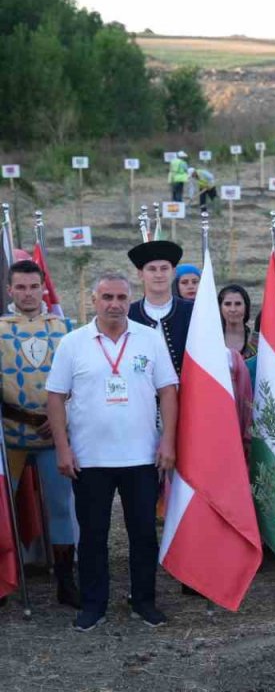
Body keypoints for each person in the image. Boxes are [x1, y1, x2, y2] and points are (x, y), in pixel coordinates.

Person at [46, 272, 178, 631]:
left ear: (130, 300)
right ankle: (93, 605)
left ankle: (144, 601)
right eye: (107, 297)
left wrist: (167, 441)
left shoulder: (149, 340)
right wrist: (63, 448)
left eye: (121, 297)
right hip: (89, 459)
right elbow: (55, 397)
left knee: (143, 534)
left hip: (141, 457)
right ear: (94, 300)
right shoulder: (73, 343)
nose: (115, 304)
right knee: (92, 536)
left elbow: (167, 391)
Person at [1, 260, 77, 608]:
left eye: (34, 287)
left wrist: (61, 412)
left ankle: (66, 581)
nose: (28, 294)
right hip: (9, 437)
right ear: (9, 290)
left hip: (53, 436)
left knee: (62, 507)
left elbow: (83, 380)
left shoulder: (66, 329)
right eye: (21, 288)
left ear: (43, 287)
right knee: (2, 509)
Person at [127, 240, 193, 376]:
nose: (158, 275)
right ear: (140, 274)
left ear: (173, 272)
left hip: (187, 392)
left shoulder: (192, 311)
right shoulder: (128, 314)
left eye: (164, 268)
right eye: (152, 269)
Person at [218, 284, 257, 360]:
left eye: (238, 304)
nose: (233, 309)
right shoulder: (211, 339)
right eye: (227, 304)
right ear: (220, 307)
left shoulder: (256, 340)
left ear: (246, 306)